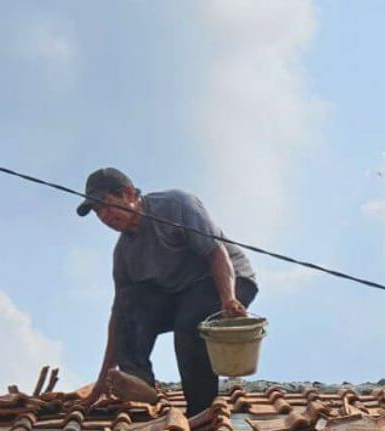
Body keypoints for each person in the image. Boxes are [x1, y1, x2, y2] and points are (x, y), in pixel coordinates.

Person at [77, 168, 258, 416]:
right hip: (179, 296)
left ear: (128, 193)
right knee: (127, 302)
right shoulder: (124, 255)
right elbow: (121, 317)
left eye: (106, 205)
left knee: (191, 324)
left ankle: (201, 411)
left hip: (227, 279)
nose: (104, 216)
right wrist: (102, 382)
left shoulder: (175, 205)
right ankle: (139, 380)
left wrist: (229, 299)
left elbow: (216, 253)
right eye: (98, 212)